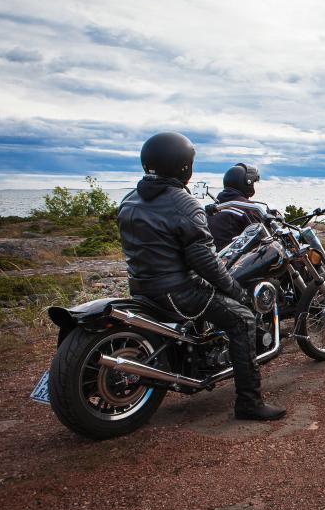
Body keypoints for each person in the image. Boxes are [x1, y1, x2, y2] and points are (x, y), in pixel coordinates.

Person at [118, 132, 286, 420]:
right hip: (178, 293)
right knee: (243, 318)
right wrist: (235, 289)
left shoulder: (130, 200)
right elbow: (204, 261)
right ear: (183, 166)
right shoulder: (183, 204)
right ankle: (249, 402)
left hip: (142, 288)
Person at [209, 163, 261, 250]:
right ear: (247, 183)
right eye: (252, 183)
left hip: (212, 258)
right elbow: (261, 234)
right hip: (233, 261)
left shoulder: (215, 208)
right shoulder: (247, 208)